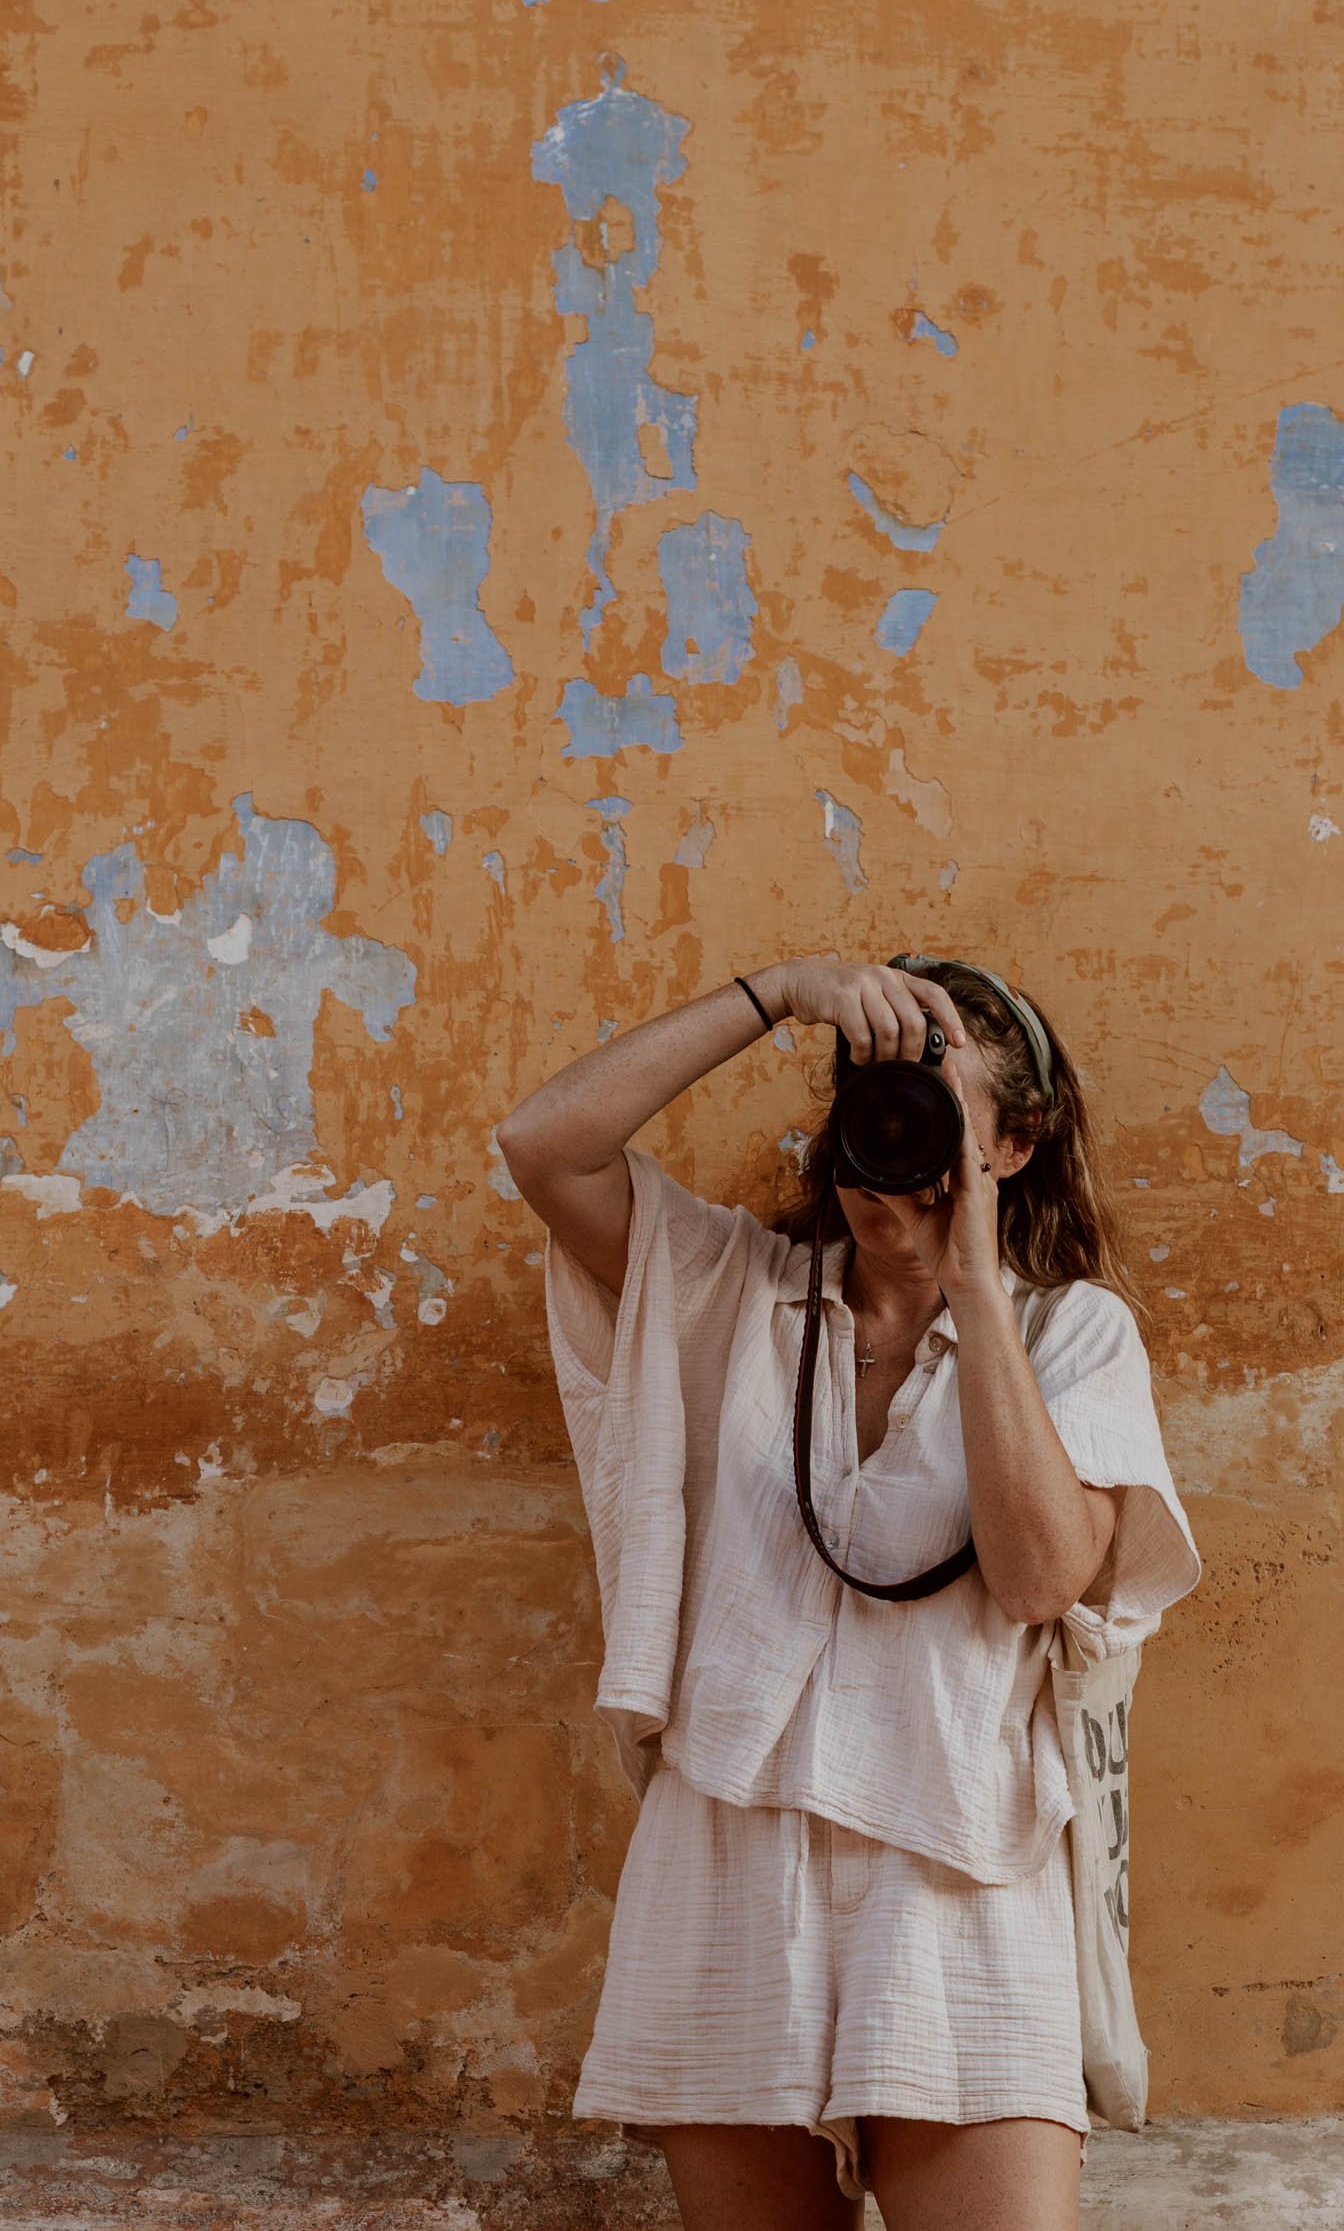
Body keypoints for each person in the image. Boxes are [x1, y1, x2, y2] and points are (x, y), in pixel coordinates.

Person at [496, 954, 1201, 2231]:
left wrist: (976, 1286)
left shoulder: (1070, 1334)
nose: (897, 1140)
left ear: (1015, 1139)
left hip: (957, 1862)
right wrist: (780, 992)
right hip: (729, 1853)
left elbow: (1041, 1577)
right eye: (874, 1102)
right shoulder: (730, 1290)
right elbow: (545, 1143)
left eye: (935, 1109)